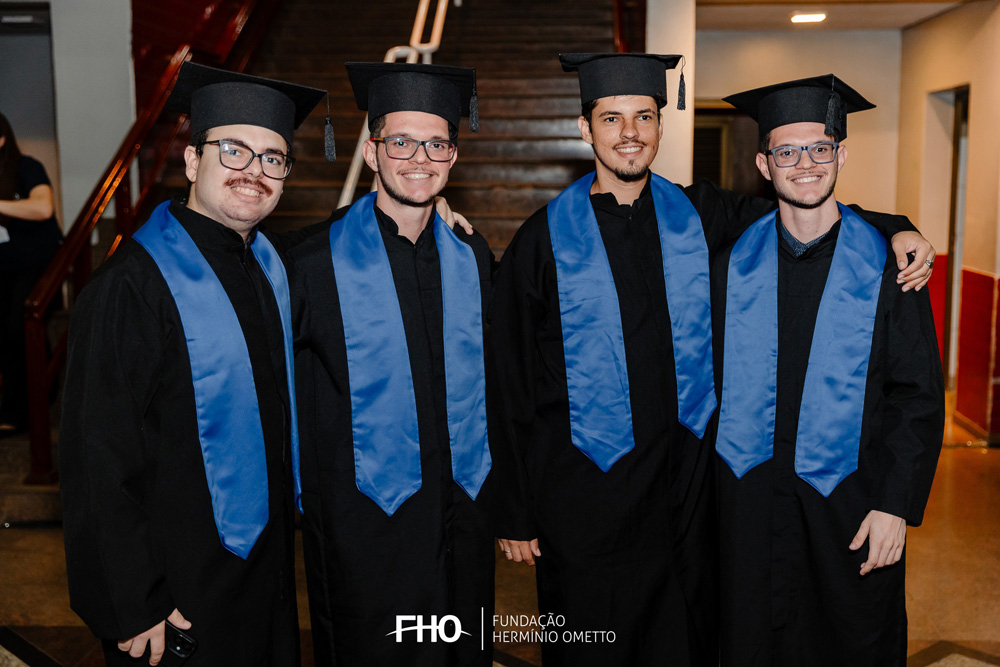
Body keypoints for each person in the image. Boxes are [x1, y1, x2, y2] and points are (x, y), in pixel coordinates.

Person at [488, 53, 935, 666]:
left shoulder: (699, 215)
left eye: (644, 116)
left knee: (688, 638)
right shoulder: (540, 240)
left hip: (687, 495)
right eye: (611, 118)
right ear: (585, 128)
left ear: (660, 125)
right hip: (586, 497)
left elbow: (805, 210)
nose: (630, 132)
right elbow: (508, 379)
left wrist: (898, 226)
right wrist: (514, 510)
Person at [59, 62, 326, 666]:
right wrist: (134, 600)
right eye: (233, 150)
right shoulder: (130, 286)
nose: (254, 171)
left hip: (262, 575)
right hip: (174, 594)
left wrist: (430, 211)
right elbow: (97, 459)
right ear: (191, 160)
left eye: (273, 158)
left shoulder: (269, 269)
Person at [712, 74, 944, 666]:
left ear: (841, 155)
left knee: (849, 642)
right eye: (787, 152)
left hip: (851, 505)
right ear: (764, 165)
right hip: (747, 505)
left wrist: (895, 505)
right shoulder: (729, 261)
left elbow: (916, 397)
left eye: (820, 148)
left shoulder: (889, 267)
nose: (805, 165)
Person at [289, 62, 495, 667]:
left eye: (436, 143)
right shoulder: (309, 263)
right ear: (372, 151)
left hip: (462, 519)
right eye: (401, 141)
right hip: (362, 528)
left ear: (453, 156)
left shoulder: (472, 256)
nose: (419, 158)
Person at [0, 112, 62, 435]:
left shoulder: (26, 167)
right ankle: (36, 392)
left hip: (37, 265)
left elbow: (43, 208)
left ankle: (21, 411)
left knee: (18, 328)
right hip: (5, 268)